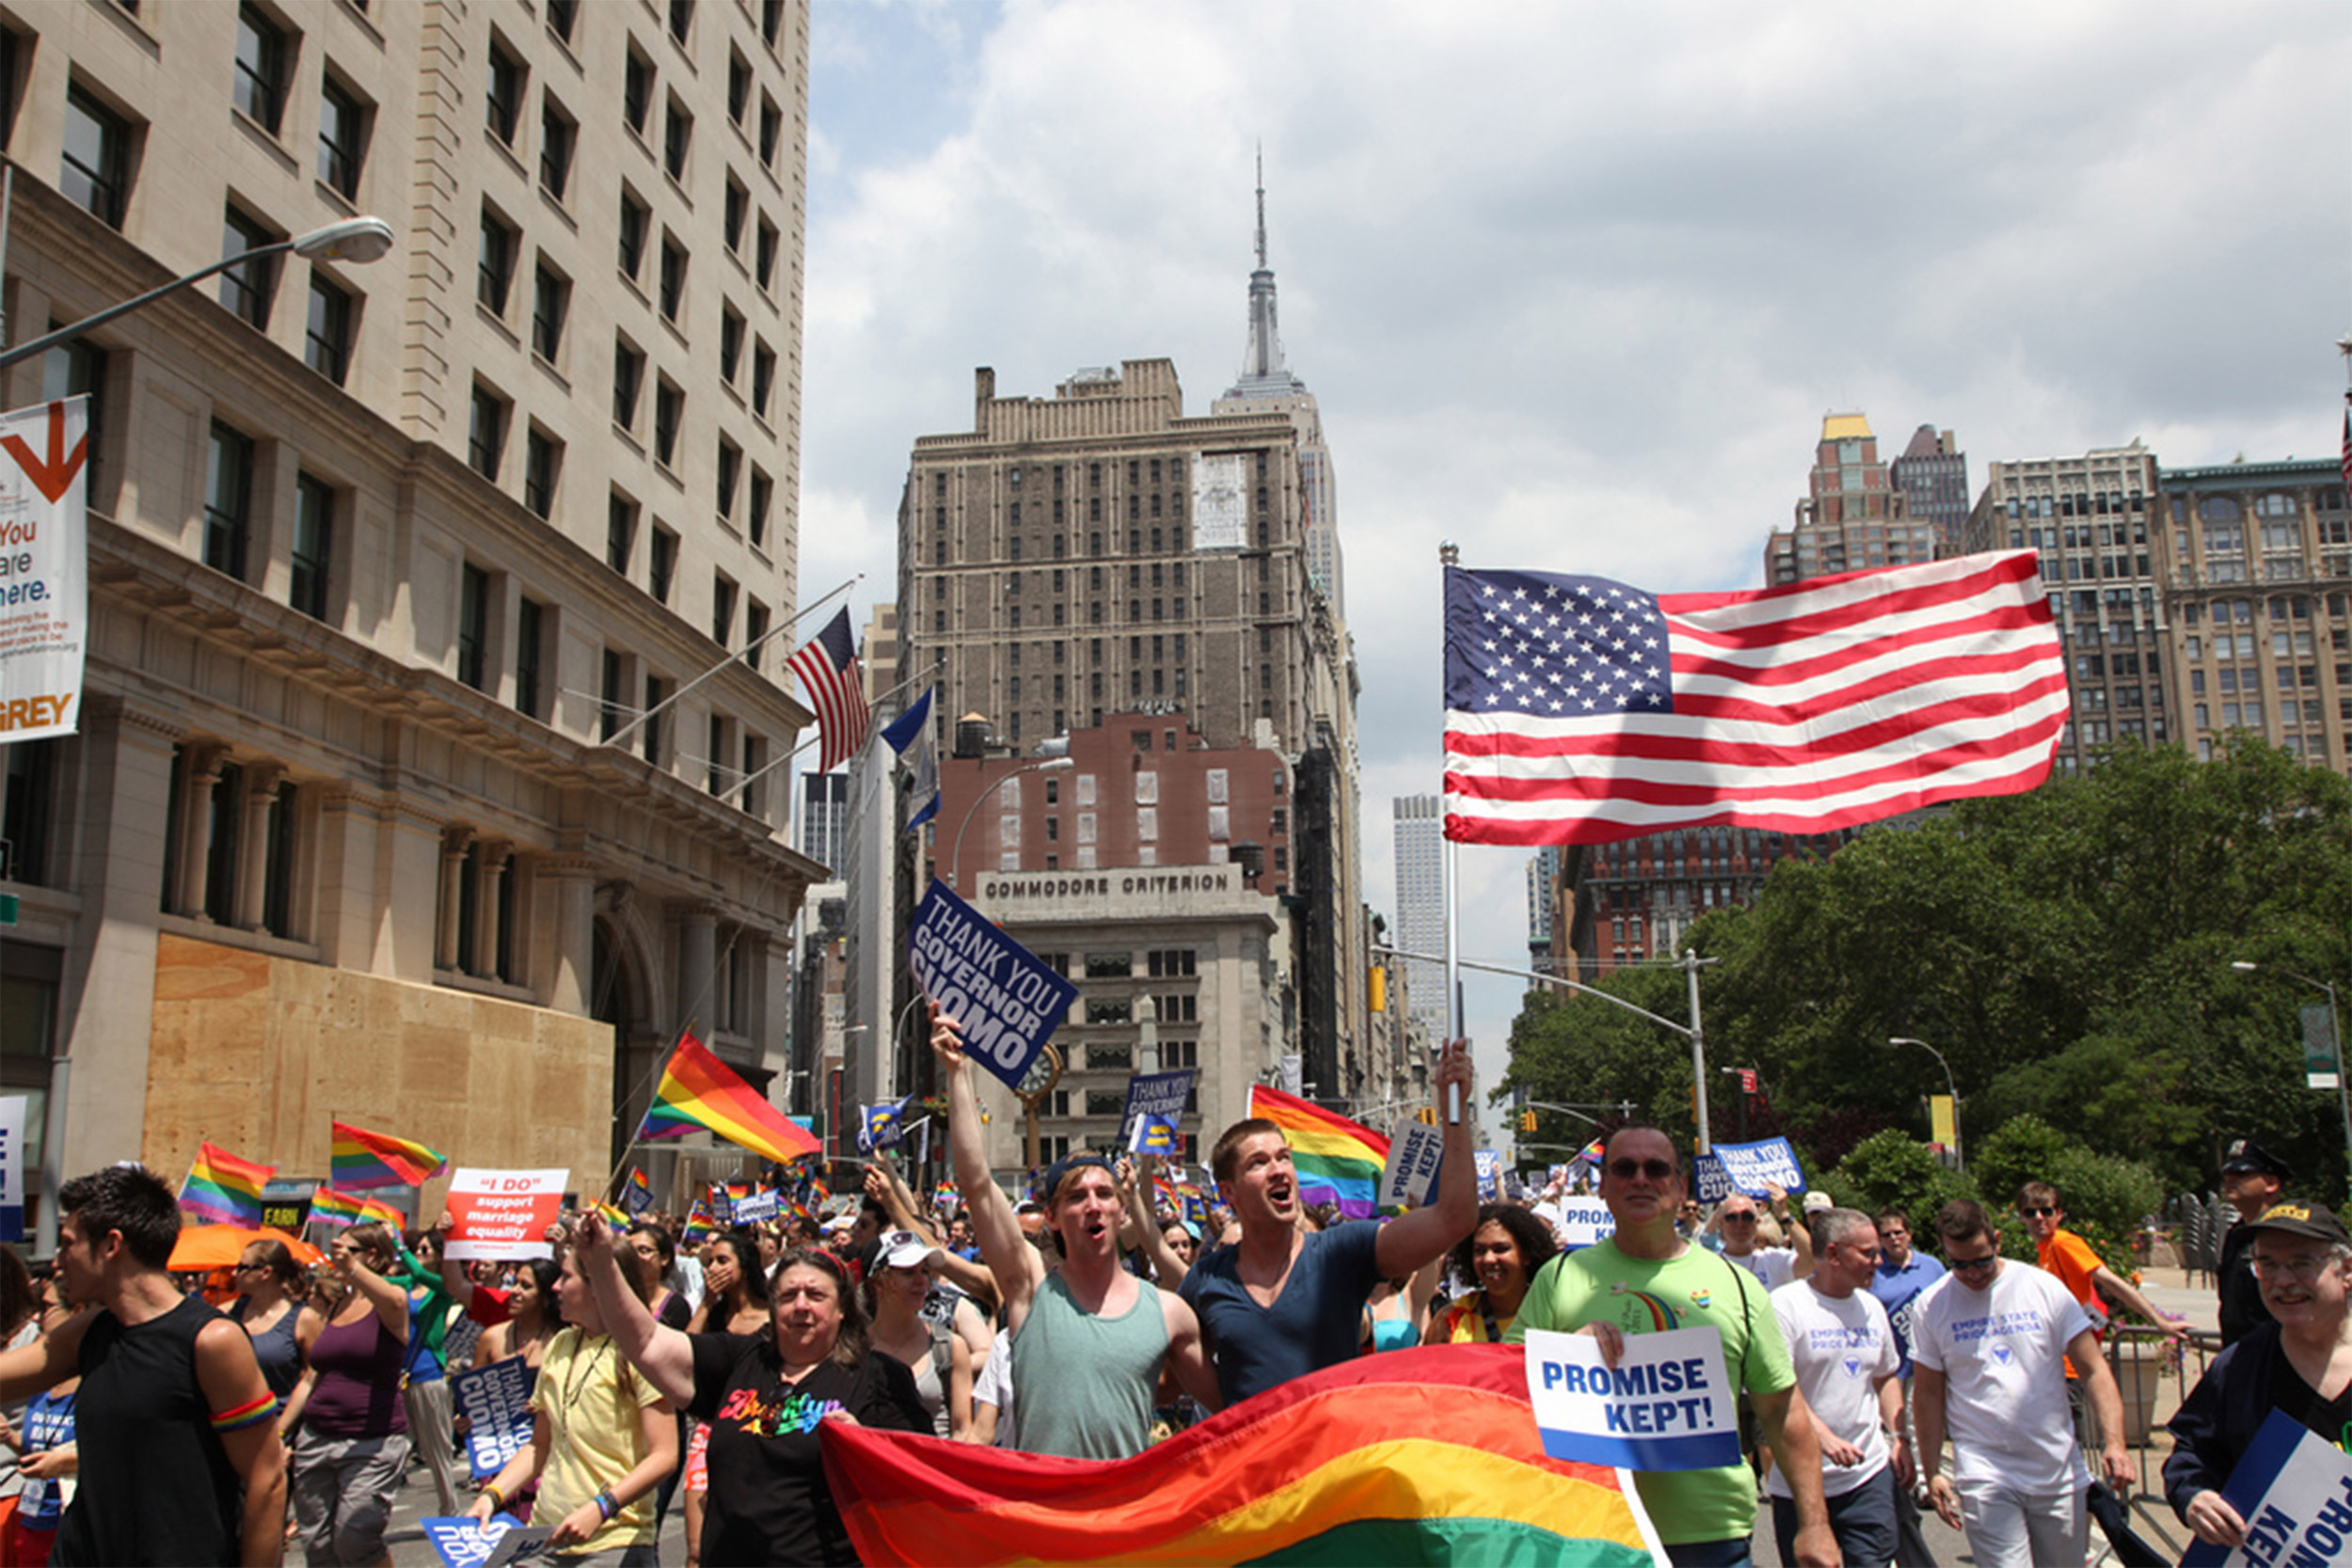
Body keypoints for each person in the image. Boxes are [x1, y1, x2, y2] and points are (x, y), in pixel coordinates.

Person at [1506, 1126, 1836, 1566]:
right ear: (1602, 1186)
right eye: (1624, 1168)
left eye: (1656, 1168)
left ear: (1681, 1188)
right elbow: (1505, 1391)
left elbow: (1782, 1412)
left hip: (1711, 1536)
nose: (1640, 1179)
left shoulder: (1737, 1286)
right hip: (1590, 1533)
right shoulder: (1558, 1277)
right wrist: (1566, 1353)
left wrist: (1815, 1525)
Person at [933, 1004, 1216, 1458]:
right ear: (1053, 1217)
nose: (1093, 1205)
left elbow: (1237, 1412)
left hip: (1127, 1520)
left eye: (1105, 1193)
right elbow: (978, 1185)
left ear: (1122, 1209)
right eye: (1076, 1196)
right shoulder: (1028, 1289)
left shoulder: (1168, 1313)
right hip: (1041, 1518)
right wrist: (958, 1074)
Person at [574, 1214, 927, 1567]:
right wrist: (602, 1262)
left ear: (841, 1310)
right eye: (789, 1295)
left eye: (816, 1295)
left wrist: (864, 1446)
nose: (801, 1305)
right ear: (773, 1308)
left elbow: (917, 1487)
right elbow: (648, 1342)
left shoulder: (879, 1376)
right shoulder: (742, 1360)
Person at [0, 1164, 285, 1566]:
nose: (58, 1262)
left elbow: (267, 1479)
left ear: (111, 1245)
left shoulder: (210, 1340)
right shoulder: (91, 1331)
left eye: (68, 1244)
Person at [1174, 1041, 1478, 1407]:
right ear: (1228, 1191)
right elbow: (1177, 1379)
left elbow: (1455, 1217)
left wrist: (1453, 1113)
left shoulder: (1342, 1252)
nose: (1278, 1170)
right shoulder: (1205, 1280)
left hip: (1333, 1461)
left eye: (1284, 1157)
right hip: (1254, 1462)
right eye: (1258, 1163)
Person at [1911, 1198, 2130, 1568]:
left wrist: (2116, 1443)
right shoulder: (1932, 1306)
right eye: (1959, 1264)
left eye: (1981, 1260)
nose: (1973, 1273)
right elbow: (1928, 1395)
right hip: (1986, 1471)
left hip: (2056, 1469)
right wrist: (1930, 1471)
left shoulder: (2042, 1288)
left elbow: (2093, 1369)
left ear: (1996, 1240)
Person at [466, 1243, 677, 1567]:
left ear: (599, 1283)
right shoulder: (560, 1345)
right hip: (544, 1538)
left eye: (565, 1277)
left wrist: (600, 1507)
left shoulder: (643, 1349)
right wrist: (491, 1496)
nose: (554, 1286)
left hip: (613, 1542)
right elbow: (539, 1445)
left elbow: (665, 1455)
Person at [2165, 1198, 2352, 1547]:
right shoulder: (2238, 1368)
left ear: (2347, 1269)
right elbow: (2192, 1455)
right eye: (2266, 1264)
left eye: (2300, 1263)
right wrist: (2195, 1498)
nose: (2283, 1280)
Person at [1768, 1208, 1905, 1567]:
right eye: (1867, 1253)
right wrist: (1823, 1437)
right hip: (1801, 1483)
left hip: (1867, 1475)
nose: (1879, 1260)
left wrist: (1900, 1434)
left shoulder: (1872, 1308)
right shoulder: (1786, 1306)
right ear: (1832, 1254)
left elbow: (1885, 1375)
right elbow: (1779, 1389)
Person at [280, 1222, 411, 1567]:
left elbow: (396, 1299)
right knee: (319, 1546)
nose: (338, 1259)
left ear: (372, 1256)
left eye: (348, 1252)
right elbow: (311, 1377)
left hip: (371, 1443)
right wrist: (280, 1431)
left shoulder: (390, 1303)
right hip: (317, 1439)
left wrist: (352, 1268)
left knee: (356, 1538)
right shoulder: (337, 1306)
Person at [863, 1229, 972, 1440]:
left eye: (925, 1271)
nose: (922, 1281)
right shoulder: (852, 1349)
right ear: (877, 1282)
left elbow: (962, 1430)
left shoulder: (949, 1347)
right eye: (908, 1272)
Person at [9, 1275, 76, 1568]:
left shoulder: (97, 1383)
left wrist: (65, 1463)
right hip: (31, 1521)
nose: (38, 1316)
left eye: (47, 1308)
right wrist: (8, 1437)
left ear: (76, 1313)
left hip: (70, 1529)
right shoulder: (42, 1382)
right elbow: (33, 1449)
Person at [1424, 1203, 1556, 1345]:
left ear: (1527, 1254)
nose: (1488, 1259)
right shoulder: (1450, 1319)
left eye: (1501, 1249)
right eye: (1480, 1251)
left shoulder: (1556, 1318)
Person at [2215, 1137, 2290, 1347]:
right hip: (2240, 1352)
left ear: (2271, 1183)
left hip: (2276, 1354)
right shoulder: (2236, 1234)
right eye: (2227, 1174)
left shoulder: (2285, 1235)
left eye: (2241, 1174)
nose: (2230, 1180)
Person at [229, 1241, 310, 1408]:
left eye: (242, 1267)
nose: (233, 1273)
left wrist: (282, 1427)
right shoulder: (228, 1313)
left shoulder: (303, 1319)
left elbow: (313, 1377)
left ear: (265, 1272)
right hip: (233, 1423)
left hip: (278, 1422)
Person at [1710, 1185, 1814, 1289]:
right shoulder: (1709, 1264)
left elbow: (1810, 1262)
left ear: (1757, 1223)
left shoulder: (1772, 1260)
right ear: (1721, 1223)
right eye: (1732, 1217)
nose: (1740, 1223)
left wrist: (1784, 1215)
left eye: (1747, 1217)